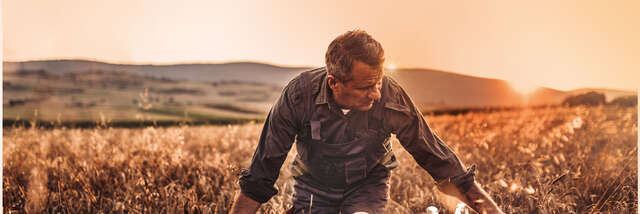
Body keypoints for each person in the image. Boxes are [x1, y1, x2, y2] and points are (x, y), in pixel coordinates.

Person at [231, 30, 504, 214]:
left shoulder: (390, 96)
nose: (376, 93)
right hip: (312, 184)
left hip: (367, 184)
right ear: (334, 83)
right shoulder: (298, 95)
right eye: (365, 87)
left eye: (379, 82)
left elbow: (440, 161)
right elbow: (261, 173)